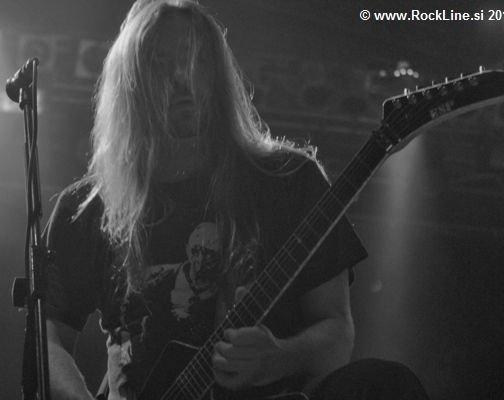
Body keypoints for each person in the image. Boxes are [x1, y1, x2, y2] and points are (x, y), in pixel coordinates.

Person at [44, 1, 429, 399]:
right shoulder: (86, 208)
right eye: (160, 64)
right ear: (130, 84)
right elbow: (48, 338)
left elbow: (337, 331)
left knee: (384, 383)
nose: (182, 78)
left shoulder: (288, 180)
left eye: (195, 60)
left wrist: (278, 357)